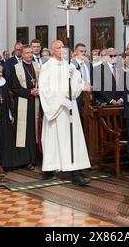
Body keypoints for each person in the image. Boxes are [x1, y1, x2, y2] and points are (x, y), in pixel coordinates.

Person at [39, 40, 91, 186]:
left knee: (73, 139)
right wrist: (60, 98)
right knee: (54, 139)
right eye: (58, 47)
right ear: (52, 49)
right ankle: (49, 169)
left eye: (63, 47)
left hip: (69, 107)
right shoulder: (47, 66)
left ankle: (76, 171)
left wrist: (73, 84)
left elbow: (79, 83)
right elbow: (44, 89)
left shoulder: (69, 66)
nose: (61, 50)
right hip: (56, 108)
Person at [10, 46, 41, 170]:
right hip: (23, 102)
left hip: (36, 103)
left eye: (31, 53)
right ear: (22, 55)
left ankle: (35, 158)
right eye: (27, 53)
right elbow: (14, 87)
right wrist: (29, 92)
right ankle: (26, 160)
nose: (30, 55)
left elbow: (43, 81)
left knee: (35, 130)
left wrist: (39, 90)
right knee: (25, 132)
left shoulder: (38, 66)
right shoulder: (16, 68)